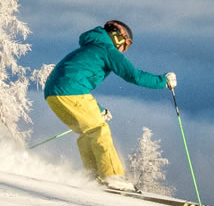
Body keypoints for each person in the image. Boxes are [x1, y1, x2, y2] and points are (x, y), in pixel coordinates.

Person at [42, 19, 177, 192]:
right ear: (118, 36)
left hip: (53, 94)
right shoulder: (107, 49)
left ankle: (93, 176)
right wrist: (163, 81)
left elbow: (78, 77)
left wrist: (99, 110)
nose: (124, 50)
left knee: (87, 132)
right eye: (126, 44)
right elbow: (133, 75)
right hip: (70, 90)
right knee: (99, 130)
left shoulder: (92, 47)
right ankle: (113, 176)